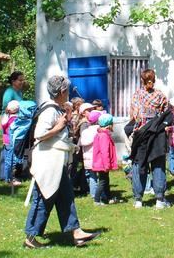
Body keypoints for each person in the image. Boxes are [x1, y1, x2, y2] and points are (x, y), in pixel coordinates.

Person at [23, 75, 100, 249]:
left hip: (57, 162)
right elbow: (40, 134)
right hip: (48, 162)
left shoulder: (57, 108)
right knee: (43, 198)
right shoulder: (49, 110)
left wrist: (67, 116)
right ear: (62, 91)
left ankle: (76, 233)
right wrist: (58, 126)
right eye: (66, 89)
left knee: (66, 197)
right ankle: (30, 237)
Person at [128, 69, 170, 208]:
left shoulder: (137, 96)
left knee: (139, 164)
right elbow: (166, 114)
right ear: (154, 79)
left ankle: (138, 200)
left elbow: (133, 117)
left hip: (141, 134)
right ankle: (159, 200)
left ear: (142, 80)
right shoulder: (160, 96)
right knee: (158, 165)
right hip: (157, 134)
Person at [92, 113, 118, 205]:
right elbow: (104, 152)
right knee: (103, 181)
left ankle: (108, 198)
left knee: (106, 180)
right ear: (109, 125)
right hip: (102, 163)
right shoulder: (104, 136)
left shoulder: (101, 134)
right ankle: (97, 200)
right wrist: (107, 165)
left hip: (101, 162)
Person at [79, 110, 102, 200]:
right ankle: (101, 194)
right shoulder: (98, 132)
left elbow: (82, 143)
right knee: (101, 177)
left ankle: (93, 194)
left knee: (92, 177)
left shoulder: (85, 132)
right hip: (97, 157)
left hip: (88, 159)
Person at [0, 100, 22, 186]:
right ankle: (9, 179)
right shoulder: (14, 119)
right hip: (11, 141)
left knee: (7, 160)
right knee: (11, 161)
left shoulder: (6, 117)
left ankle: (6, 177)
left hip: (5, 141)